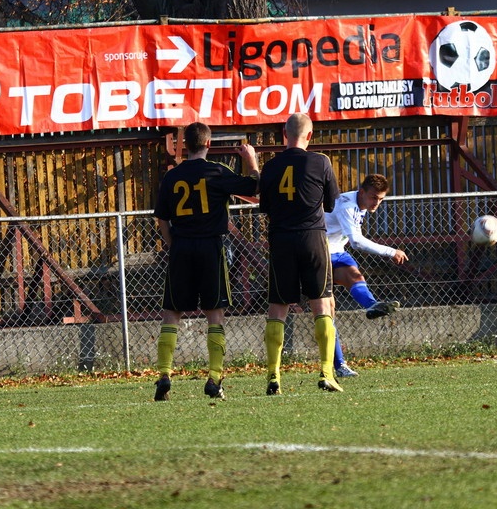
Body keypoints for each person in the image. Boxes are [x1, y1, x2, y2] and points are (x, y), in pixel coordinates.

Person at [152, 121, 260, 401]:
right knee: (215, 313)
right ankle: (214, 378)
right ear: (208, 144)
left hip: (182, 247)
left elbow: (162, 216)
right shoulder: (217, 172)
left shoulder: (173, 177)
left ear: (184, 146)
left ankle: (164, 374)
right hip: (211, 248)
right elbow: (254, 187)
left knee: (171, 313)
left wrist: (171, 243)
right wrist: (251, 161)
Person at [258, 112, 342, 396]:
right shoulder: (321, 162)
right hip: (312, 238)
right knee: (322, 305)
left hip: (281, 239)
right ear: (310, 135)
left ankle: (273, 376)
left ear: (284, 133)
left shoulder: (270, 167)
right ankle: (326, 372)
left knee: (277, 309)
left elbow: (265, 206)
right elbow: (330, 204)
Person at [325, 174, 409, 378]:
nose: (376, 203)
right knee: (329, 311)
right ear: (362, 192)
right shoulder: (346, 205)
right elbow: (357, 242)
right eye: (373, 197)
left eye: (381, 199)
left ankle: (371, 305)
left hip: (337, 252)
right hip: (318, 254)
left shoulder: (359, 204)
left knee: (355, 276)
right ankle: (339, 365)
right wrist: (391, 251)